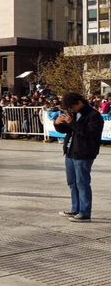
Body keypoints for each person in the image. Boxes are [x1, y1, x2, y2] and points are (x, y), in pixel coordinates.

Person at [54, 92, 103, 223]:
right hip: (70, 152)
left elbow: (90, 133)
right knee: (72, 182)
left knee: (82, 183)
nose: (70, 110)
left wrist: (72, 123)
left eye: (72, 107)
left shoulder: (94, 116)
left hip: (84, 153)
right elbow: (67, 130)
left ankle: (85, 213)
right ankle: (76, 209)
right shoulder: (75, 114)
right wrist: (58, 124)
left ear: (79, 103)